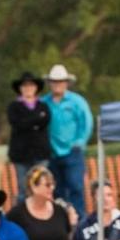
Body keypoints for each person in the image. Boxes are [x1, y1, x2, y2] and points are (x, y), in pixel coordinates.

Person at [41, 63, 92, 216]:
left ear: (66, 83)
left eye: (60, 81)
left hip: (72, 152)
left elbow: (86, 123)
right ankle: (60, 220)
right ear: (50, 83)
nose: (58, 85)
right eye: (54, 81)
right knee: (56, 190)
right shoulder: (44, 103)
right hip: (52, 153)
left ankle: (80, 221)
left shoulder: (77, 102)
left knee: (76, 187)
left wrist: (80, 142)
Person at [5, 72, 52, 196]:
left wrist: (26, 121)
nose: (28, 88)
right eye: (25, 85)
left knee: (41, 185)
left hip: (41, 153)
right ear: (20, 88)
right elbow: (17, 123)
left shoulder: (43, 106)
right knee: (23, 188)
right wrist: (36, 120)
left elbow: (45, 121)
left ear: (36, 88)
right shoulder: (13, 107)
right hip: (21, 155)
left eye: (31, 85)